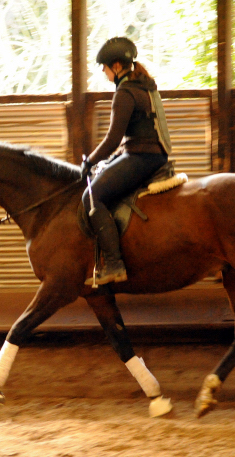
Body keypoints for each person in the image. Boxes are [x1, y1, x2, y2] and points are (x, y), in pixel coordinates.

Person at [81, 37, 172, 285]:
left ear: (118, 66)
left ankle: (113, 264)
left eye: (105, 66)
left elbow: (113, 138)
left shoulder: (125, 93)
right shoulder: (144, 85)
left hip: (143, 157)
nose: (103, 71)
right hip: (150, 153)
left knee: (92, 196)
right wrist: (110, 159)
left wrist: (89, 161)